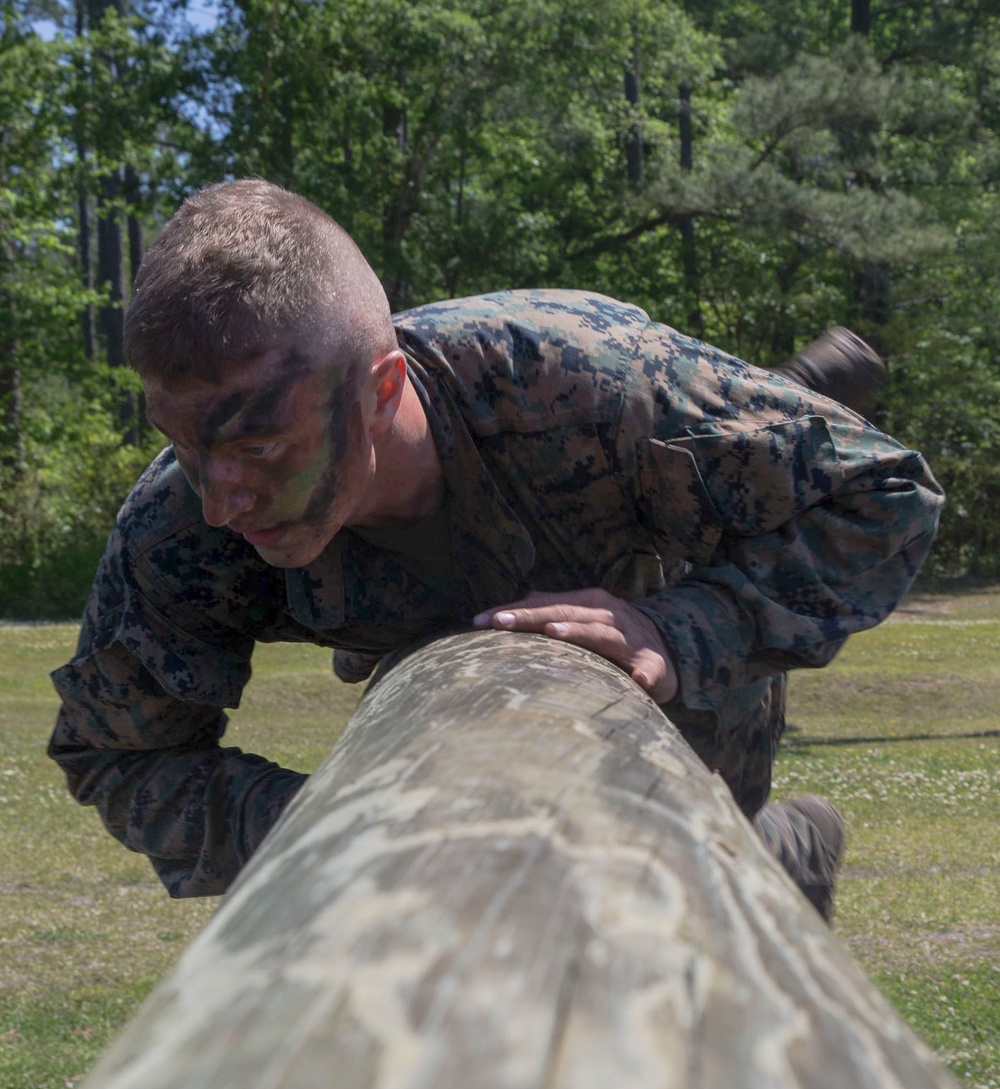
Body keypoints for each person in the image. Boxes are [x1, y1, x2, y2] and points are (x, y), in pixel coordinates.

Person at [48, 180, 943, 918]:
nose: (218, 497)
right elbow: (117, 752)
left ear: (381, 388)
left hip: (687, 710)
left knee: (689, 915)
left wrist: (691, 630)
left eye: (258, 447)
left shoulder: (584, 374)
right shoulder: (179, 525)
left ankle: (776, 855)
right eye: (189, 445)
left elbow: (881, 493)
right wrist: (324, 824)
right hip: (452, 731)